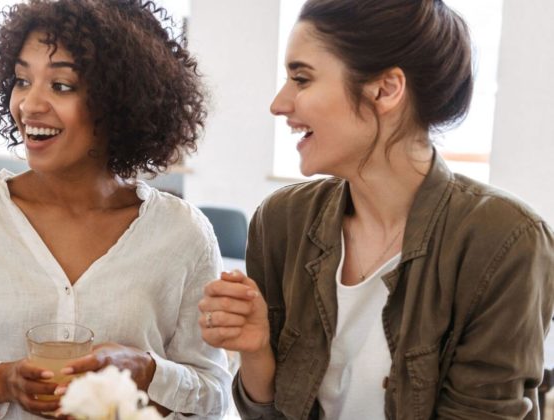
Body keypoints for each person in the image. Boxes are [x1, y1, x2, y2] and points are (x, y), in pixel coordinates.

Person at [198, 0, 554, 418]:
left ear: (386, 90)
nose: (279, 103)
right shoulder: (282, 221)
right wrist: (255, 349)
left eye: (301, 78)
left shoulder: (505, 240)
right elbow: (268, 413)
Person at [0, 0, 229, 418]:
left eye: (61, 86)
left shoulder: (183, 235)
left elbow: (214, 394)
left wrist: (147, 371)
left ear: (119, 101)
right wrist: (0, 380)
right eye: (21, 80)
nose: (29, 105)